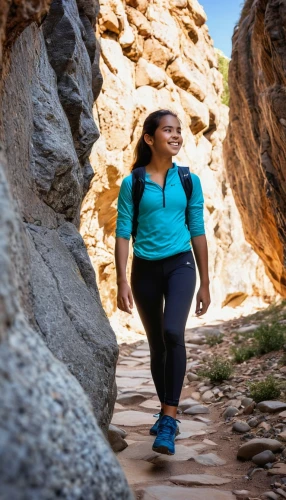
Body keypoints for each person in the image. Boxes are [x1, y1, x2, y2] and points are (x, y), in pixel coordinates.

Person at [115, 109, 210, 456]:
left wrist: (206, 282)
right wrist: (122, 280)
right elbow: (123, 230)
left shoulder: (189, 180)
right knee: (157, 343)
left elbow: (197, 230)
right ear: (149, 138)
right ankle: (166, 409)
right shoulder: (134, 182)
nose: (175, 135)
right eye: (167, 130)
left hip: (181, 265)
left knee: (173, 333)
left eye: (179, 130)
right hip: (144, 270)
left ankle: (169, 418)